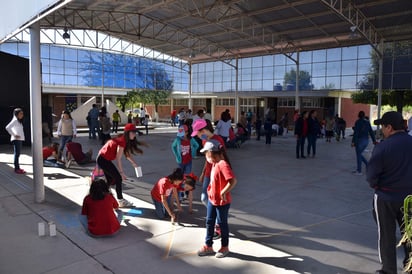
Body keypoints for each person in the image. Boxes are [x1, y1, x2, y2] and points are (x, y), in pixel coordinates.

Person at [366, 111, 412, 274]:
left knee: (386, 235)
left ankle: (388, 270)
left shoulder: (383, 147)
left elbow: (371, 176)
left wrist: (376, 185)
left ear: (389, 127)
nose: (382, 131)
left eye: (383, 127)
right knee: (409, 234)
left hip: (385, 197)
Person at [197, 140, 237, 258]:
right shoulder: (214, 163)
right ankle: (208, 245)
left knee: (222, 224)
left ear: (212, 153)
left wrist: (223, 191)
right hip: (212, 200)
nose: (206, 157)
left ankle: (225, 247)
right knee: (209, 222)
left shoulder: (222, 164)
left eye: (206, 154)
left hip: (222, 202)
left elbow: (233, 181)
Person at [96, 123, 147, 207]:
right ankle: (120, 200)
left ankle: (100, 195)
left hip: (104, 159)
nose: (134, 134)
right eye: (133, 132)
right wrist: (121, 173)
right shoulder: (122, 141)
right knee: (118, 179)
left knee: (110, 180)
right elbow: (118, 158)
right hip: (103, 159)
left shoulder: (124, 140)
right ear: (127, 133)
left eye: (135, 132)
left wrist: (133, 163)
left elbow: (126, 153)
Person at [351, 110, 376, 175]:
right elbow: (371, 132)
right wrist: (374, 141)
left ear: (358, 115)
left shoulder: (358, 122)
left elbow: (356, 133)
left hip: (360, 141)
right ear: (364, 115)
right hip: (366, 141)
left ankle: (359, 171)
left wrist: (353, 142)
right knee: (359, 154)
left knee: (358, 155)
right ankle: (367, 165)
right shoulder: (367, 122)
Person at [5, 108, 26, 174]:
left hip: (19, 139)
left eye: (22, 113)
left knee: (17, 154)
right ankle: (17, 169)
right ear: (16, 114)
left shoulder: (18, 121)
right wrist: (14, 135)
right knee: (17, 154)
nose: (22, 115)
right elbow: (7, 127)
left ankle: (17, 168)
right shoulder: (15, 120)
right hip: (16, 140)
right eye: (20, 113)